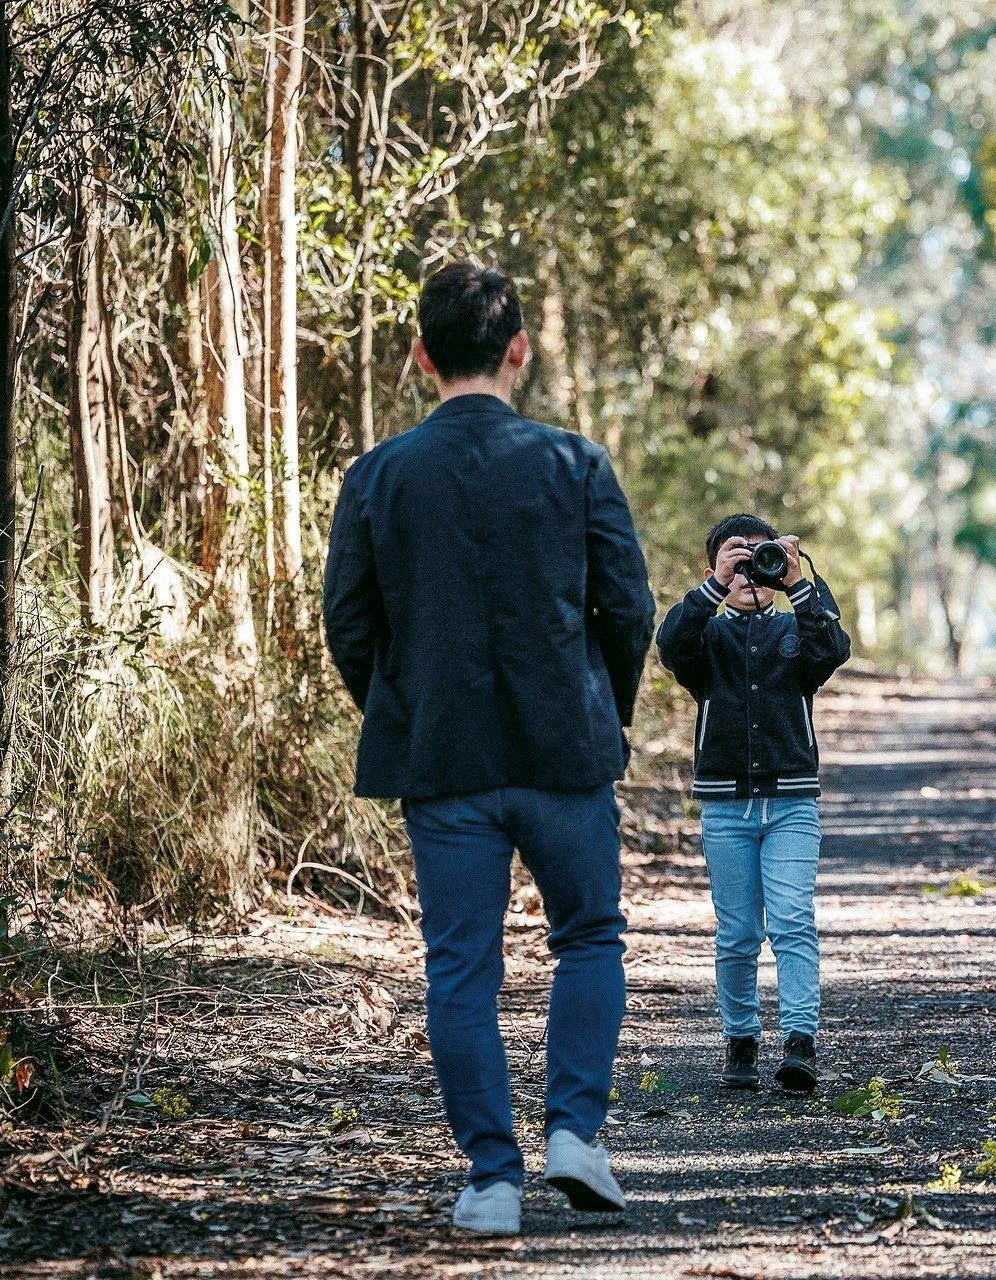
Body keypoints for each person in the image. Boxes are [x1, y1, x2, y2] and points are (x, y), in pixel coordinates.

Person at [322, 262, 655, 1234]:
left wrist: (406, 709)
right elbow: (627, 606)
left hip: (446, 762)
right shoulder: (576, 462)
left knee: (459, 968)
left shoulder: (379, 474)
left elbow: (350, 622)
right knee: (589, 935)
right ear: (519, 349)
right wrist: (605, 709)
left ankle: (492, 1181)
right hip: (565, 755)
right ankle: (575, 1136)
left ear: (421, 355)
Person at [656, 514, 852, 1094]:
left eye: (757, 560)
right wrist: (712, 588)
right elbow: (670, 644)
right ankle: (740, 1039)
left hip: (792, 802)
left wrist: (797, 581)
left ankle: (800, 1042)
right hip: (725, 807)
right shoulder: (708, 640)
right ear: (715, 569)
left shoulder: (797, 631)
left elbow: (832, 646)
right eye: (735, 561)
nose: (749, 573)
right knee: (738, 931)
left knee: (793, 920)